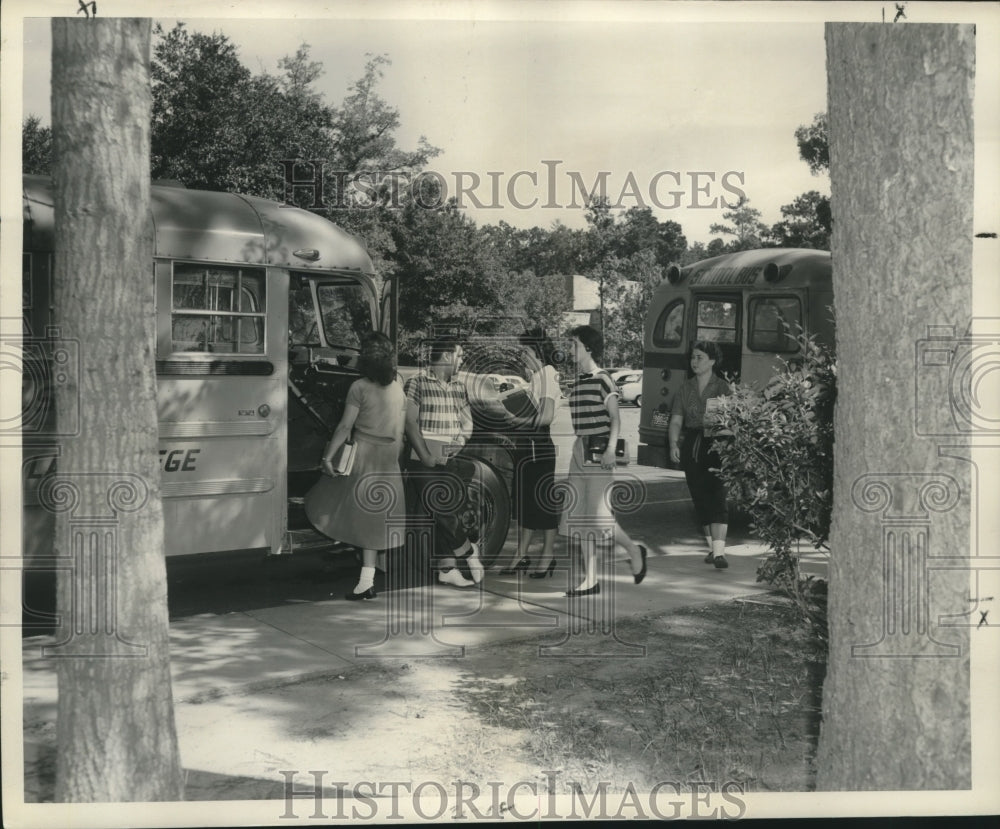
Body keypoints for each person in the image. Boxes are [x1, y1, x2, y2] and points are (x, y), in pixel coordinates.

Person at [304, 332, 407, 600]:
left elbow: (345, 426)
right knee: (373, 519)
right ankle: (365, 581)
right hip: (388, 456)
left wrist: (328, 457)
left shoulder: (359, 387)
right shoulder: (398, 386)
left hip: (363, 454)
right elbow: (400, 427)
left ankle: (365, 579)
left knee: (327, 501)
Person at [560, 325, 647, 596]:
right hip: (579, 451)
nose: (570, 349)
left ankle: (634, 550)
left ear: (588, 347)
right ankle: (591, 579)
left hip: (598, 451)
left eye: (574, 344)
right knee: (579, 518)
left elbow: (615, 418)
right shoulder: (579, 380)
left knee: (598, 519)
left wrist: (611, 448)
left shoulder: (603, 379)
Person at [404, 337, 484, 588]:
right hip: (422, 458)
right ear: (447, 356)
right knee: (442, 507)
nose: (461, 361)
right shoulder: (416, 382)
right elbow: (410, 423)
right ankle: (470, 555)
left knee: (447, 511)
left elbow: (467, 423)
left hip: (449, 457)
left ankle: (447, 569)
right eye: (459, 356)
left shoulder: (459, 387)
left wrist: (460, 441)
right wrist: (426, 455)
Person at [497, 329, 562, 578]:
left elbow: (544, 416)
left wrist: (516, 418)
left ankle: (547, 556)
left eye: (525, 351)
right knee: (525, 503)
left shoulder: (548, 374)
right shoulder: (535, 377)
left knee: (543, 504)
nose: (522, 356)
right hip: (527, 445)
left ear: (537, 351)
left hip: (539, 446)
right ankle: (520, 555)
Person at [668, 340, 733, 569]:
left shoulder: (724, 388)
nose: (694, 362)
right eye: (693, 357)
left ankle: (719, 554)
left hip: (718, 446)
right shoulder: (685, 388)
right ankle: (712, 549)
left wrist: (720, 427)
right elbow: (676, 420)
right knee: (700, 498)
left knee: (717, 496)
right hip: (693, 446)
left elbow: (733, 421)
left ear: (712, 362)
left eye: (699, 358)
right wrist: (673, 444)